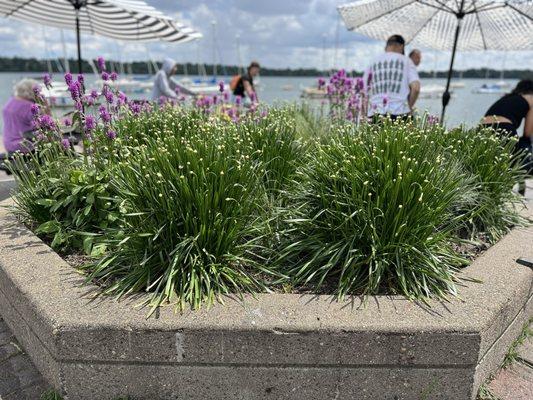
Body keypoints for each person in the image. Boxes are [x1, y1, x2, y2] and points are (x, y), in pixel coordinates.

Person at [481, 79, 533, 195]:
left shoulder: (507, 97)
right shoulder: (531, 99)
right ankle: (518, 190)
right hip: (504, 129)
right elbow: (528, 132)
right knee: (510, 167)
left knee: (487, 168)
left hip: (481, 130)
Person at [363, 35, 420, 121]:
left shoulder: (372, 62)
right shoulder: (407, 61)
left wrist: (364, 114)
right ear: (401, 46)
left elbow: (364, 90)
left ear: (387, 46)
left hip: (375, 113)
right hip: (400, 112)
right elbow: (416, 88)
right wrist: (409, 107)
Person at [2, 78, 43, 153]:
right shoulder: (29, 106)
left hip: (8, 144)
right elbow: (42, 124)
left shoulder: (11, 101)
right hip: (24, 145)